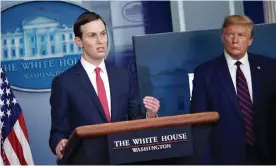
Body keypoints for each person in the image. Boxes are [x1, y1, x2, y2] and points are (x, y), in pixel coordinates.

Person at [49, 11, 160, 164]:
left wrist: (150, 115)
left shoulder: (123, 76)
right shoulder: (63, 82)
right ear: (79, 41)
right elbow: (57, 132)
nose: (101, 41)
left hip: (124, 159)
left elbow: (136, 119)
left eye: (103, 34)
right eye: (92, 36)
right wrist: (59, 143)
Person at [190, 14, 276, 164]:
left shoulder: (270, 67)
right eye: (230, 34)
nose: (235, 40)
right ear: (223, 37)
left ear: (250, 40)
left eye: (241, 35)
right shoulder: (205, 73)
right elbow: (198, 124)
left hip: (268, 155)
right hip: (225, 158)